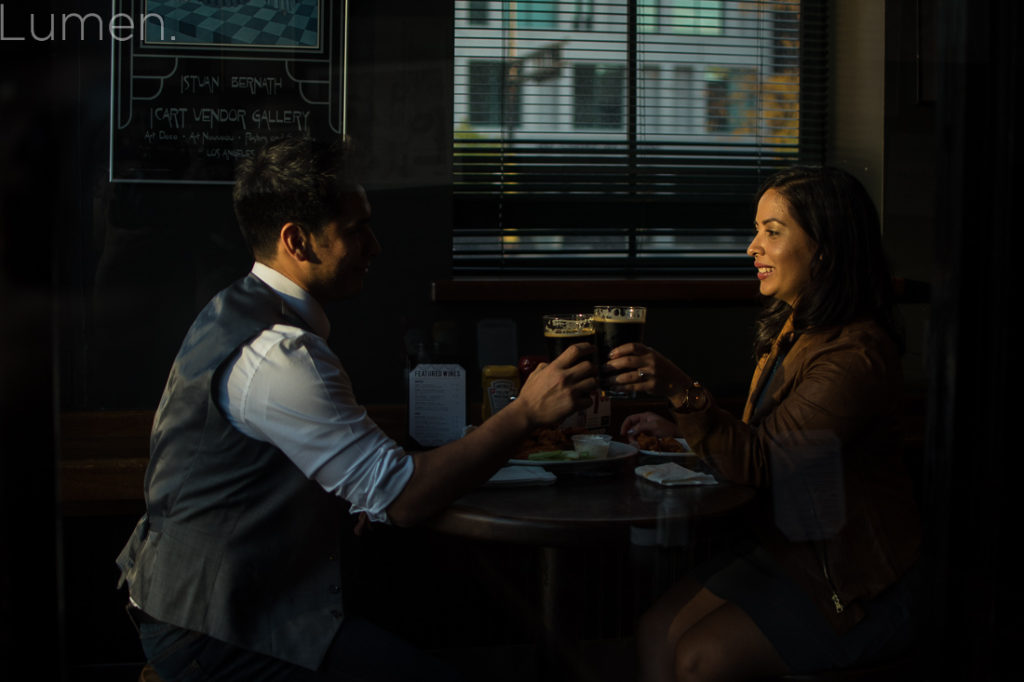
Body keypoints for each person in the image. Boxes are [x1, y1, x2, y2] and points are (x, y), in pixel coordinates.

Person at [115, 136, 598, 682]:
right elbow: (405, 499)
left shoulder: (240, 309)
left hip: (225, 602)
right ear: (296, 241)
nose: (375, 247)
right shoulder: (278, 352)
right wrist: (525, 413)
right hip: (215, 628)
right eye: (356, 229)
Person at [610, 166, 921, 681]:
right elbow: (764, 441)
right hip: (786, 552)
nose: (752, 247)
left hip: (851, 579)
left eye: (771, 232)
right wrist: (678, 431)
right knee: (656, 632)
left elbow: (766, 462)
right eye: (757, 230)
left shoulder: (854, 353)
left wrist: (680, 390)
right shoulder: (796, 329)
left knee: (697, 659)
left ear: (825, 248)